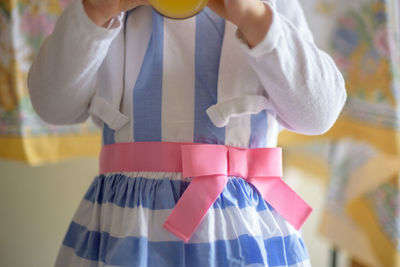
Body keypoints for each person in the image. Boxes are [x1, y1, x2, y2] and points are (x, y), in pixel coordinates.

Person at [28, 0, 347, 266]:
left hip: (245, 231)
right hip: (126, 226)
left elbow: (319, 114)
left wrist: (255, 18)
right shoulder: (109, 8)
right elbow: (52, 107)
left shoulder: (266, 5)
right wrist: (95, 14)